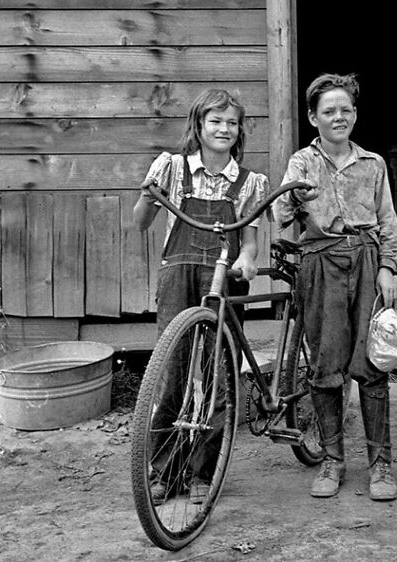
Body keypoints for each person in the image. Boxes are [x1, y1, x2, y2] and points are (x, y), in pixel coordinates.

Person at [133, 88, 269, 504]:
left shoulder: (250, 182)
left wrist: (247, 260)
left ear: (239, 130)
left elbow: (249, 242)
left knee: (216, 375)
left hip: (222, 278)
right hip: (178, 274)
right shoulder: (172, 168)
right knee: (171, 372)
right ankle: (164, 471)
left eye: (231, 122)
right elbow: (140, 222)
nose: (224, 129)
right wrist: (146, 195)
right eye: (215, 121)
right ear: (198, 125)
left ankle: (202, 474)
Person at [273, 73, 397, 501]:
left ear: (355, 114)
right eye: (329, 110)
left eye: (346, 109)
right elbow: (281, 217)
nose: (338, 117)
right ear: (313, 117)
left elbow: (387, 220)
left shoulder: (373, 164)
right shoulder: (301, 162)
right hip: (320, 263)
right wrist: (294, 198)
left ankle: (380, 465)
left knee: (372, 363)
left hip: (366, 260)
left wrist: (387, 267)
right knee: (327, 367)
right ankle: (332, 460)